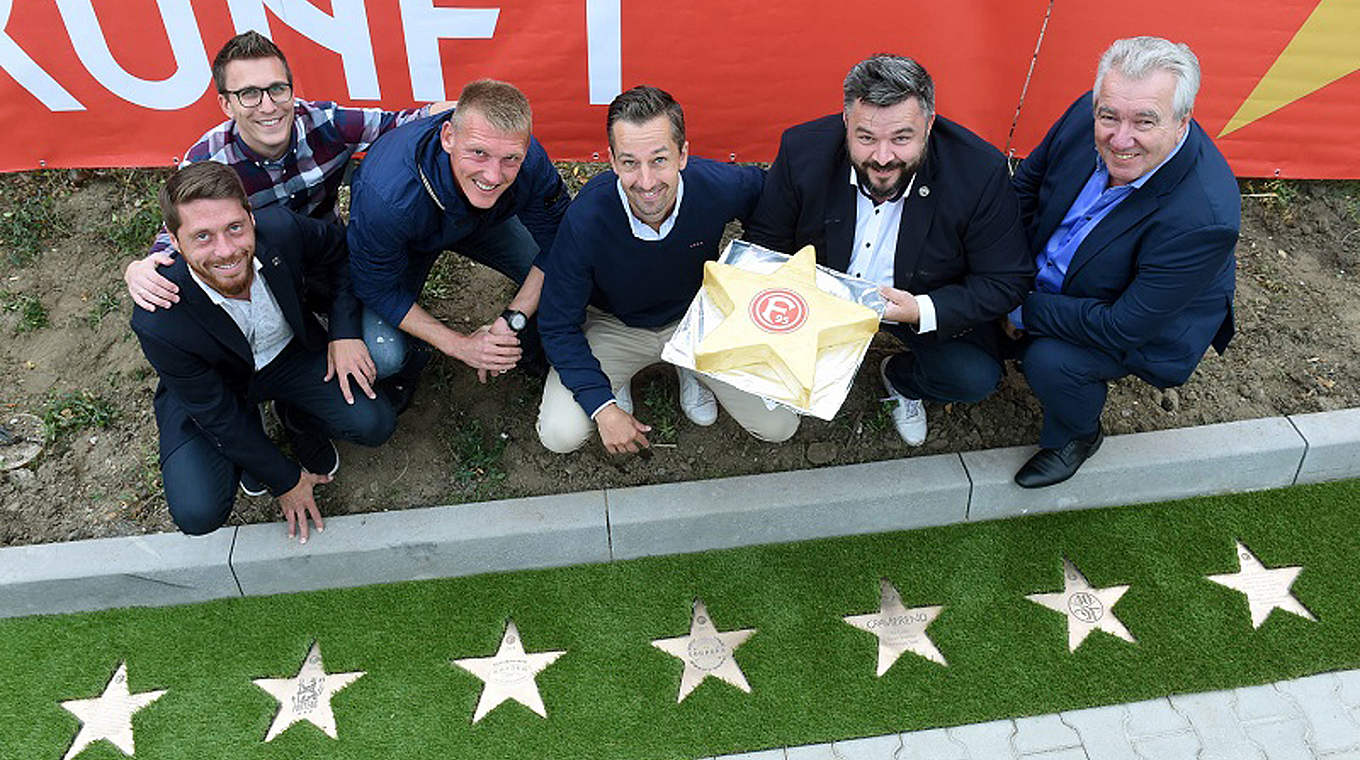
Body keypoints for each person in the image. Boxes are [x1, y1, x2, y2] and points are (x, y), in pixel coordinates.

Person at [745, 54, 1033, 446]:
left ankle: (899, 377)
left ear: (929, 125)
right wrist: (793, 304)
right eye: (865, 138)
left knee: (973, 377)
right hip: (822, 297)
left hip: (917, 300)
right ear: (846, 122)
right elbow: (767, 241)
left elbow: (1005, 279)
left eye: (901, 138)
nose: (882, 158)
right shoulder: (802, 150)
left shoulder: (980, 172)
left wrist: (919, 310)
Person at [1006, 36, 1239, 488]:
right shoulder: (1092, 112)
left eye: (1144, 122)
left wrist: (1018, 307)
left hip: (1138, 321)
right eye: (1108, 116)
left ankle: (1076, 435)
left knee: (1050, 360)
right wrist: (999, 275)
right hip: (1057, 282)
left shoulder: (1203, 217)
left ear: (1181, 122)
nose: (1120, 138)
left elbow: (1123, 326)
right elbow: (1025, 188)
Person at [131, 162, 396, 541]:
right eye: (202, 237)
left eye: (234, 228)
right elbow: (215, 414)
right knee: (197, 512)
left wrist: (344, 332)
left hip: (289, 356)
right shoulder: (158, 319)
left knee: (374, 423)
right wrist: (285, 480)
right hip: (216, 385)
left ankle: (296, 418)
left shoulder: (282, 230)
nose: (226, 251)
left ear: (250, 217)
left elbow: (342, 253)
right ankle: (253, 437)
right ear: (174, 241)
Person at [532, 85, 799, 454]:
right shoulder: (587, 217)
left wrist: (747, 279)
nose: (646, 182)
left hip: (698, 318)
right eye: (629, 163)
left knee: (779, 425)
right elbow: (557, 322)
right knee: (559, 434)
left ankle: (689, 366)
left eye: (659, 160)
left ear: (683, 154)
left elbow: (773, 203)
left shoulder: (717, 185)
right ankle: (615, 382)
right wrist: (603, 407)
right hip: (615, 324)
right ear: (612, 161)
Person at [123, 30, 452, 314]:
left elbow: (407, 121)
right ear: (226, 104)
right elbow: (178, 231)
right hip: (258, 273)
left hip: (332, 260)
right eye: (249, 94)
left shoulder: (324, 123)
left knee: (385, 355)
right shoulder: (207, 159)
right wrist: (142, 267)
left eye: (278, 89)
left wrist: (473, 115)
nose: (268, 106)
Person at [345, 78, 568, 401]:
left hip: (485, 222)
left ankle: (535, 349)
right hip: (410, 235)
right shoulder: (386, 196)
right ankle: (414, 362)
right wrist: (459, 345)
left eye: (510, 159)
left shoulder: (528, 159)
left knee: (565, 278)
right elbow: (376, 286)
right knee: (384, 356)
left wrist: (513, 318)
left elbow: (562, 241)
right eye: (479, 153)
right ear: (448, 137)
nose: (493, 174)